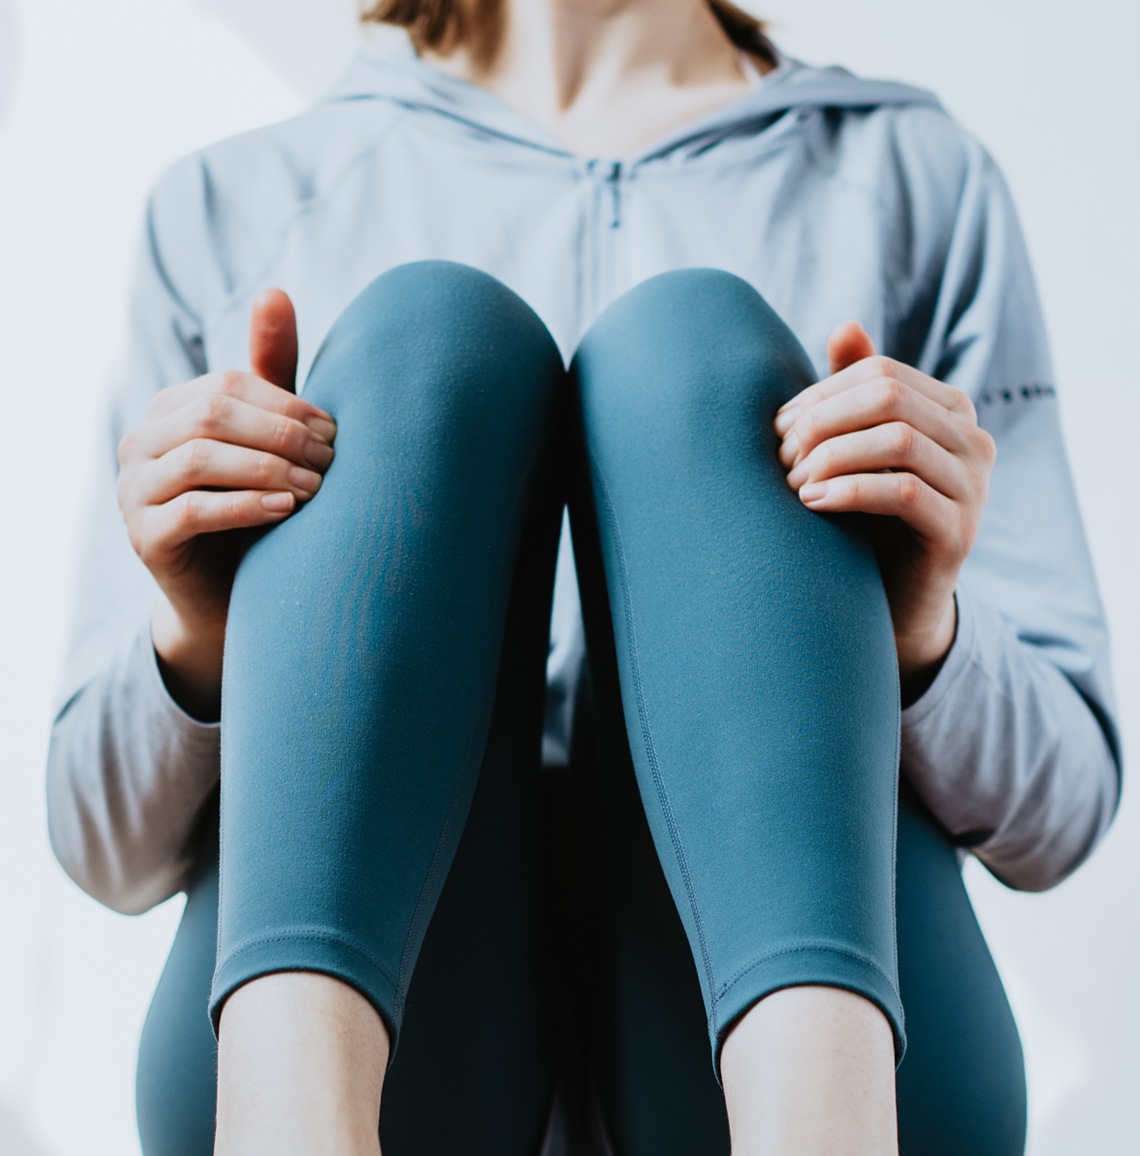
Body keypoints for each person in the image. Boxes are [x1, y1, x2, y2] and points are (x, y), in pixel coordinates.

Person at [45, 0, 1120, 1153]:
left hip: (817, 1045)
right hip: (390, 1047)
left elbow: (1061, 814)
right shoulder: (235, 204)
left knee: (693, 353)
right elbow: (99, 839)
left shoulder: (913, 179)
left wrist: (919, 630)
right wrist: (200, 637)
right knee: (428, 341)